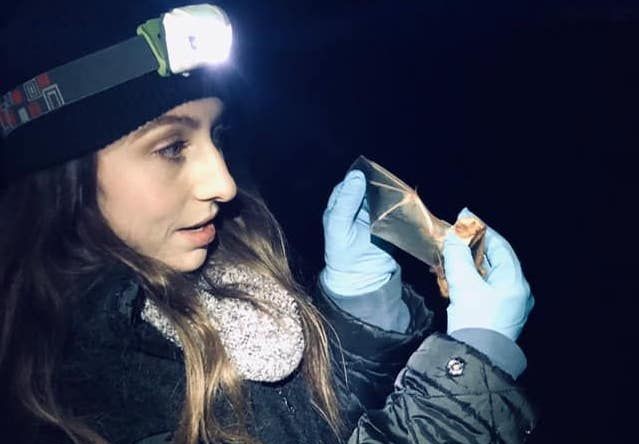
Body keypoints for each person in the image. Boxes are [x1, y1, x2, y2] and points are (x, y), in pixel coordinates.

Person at [0, 2, 538, 443]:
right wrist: (472, 369)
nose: (224, 183)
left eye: (217, 136)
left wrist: (360, 310)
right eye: (170, 147)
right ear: (60, 179)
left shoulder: (220, 286)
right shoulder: (73, 401)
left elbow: (309, 428)